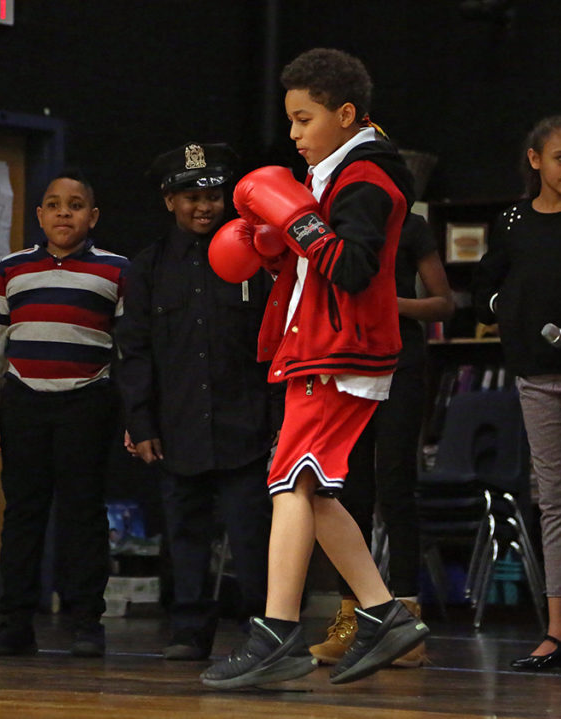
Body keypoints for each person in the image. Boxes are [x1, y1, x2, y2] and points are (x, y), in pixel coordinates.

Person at [199, 47, 429, 690]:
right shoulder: (338, 175)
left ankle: (277, 631)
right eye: (291, 121)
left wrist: (294, 221)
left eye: (304, 120)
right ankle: (384, 613)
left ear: (345, 113)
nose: (294, 134)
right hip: (323, 343)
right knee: (311, 486)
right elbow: (325, 265)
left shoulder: (366, 177)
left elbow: (354, 268)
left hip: (339, 349)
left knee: (290, 482)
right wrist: (279, 250)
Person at [115, 142, 277, 661]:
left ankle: (262, 632)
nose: (204, 204)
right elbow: (134, 351)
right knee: (184, 536)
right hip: (177, 426)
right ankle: (188, 629)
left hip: (245, 426)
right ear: (169, 201)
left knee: (253, 539)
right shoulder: (148, 268)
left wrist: (279, 421)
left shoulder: (257, 257)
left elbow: (276, 342)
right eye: (190, 194)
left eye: (213, 192)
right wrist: (140, 423)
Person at [0, 170, 128, 659]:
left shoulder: (116, 271)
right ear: (38, 215)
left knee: (83, 515)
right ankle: (15, 621)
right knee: (22, 515)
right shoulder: (11, 269)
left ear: (93, 216)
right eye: (54, 205)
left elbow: (129, 351)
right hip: (24, 404)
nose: (64, 213)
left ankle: (86, 622)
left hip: (87, 403)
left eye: (76, 205)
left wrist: (133, 417)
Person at [473, 115, 561, 674]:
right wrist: (506, 314)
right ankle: (559, 627)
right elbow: (488, 282)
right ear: (535, 160)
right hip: (532, 374)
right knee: (551, 498)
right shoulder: (510, 222)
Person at [309, 212, 453, 668]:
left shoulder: (409, 225)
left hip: (400, 364)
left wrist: (392, 305)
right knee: (347, 492)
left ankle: (407, 621)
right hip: (344, 362)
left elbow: (444, 303)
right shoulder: (327, 222)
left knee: (395, 487)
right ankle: (351, 617)